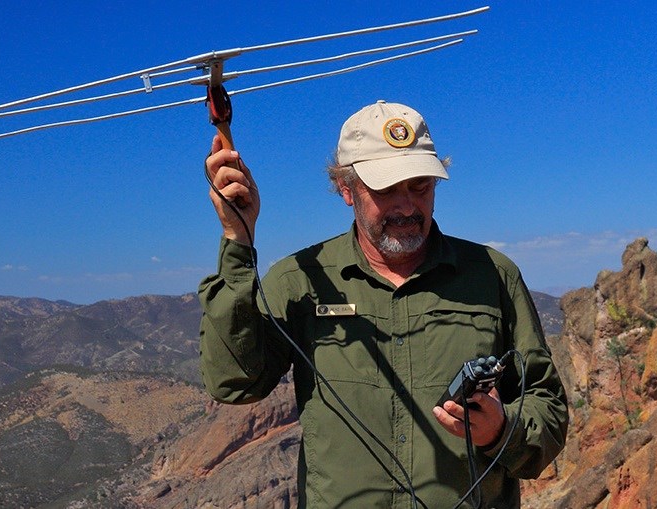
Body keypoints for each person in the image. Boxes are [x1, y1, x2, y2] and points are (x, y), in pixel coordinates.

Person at [198, 100, 568, 508]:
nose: (407, 206)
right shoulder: (299, 280)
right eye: (386, 189)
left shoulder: (493, 275)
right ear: (345, 188)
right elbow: (233, 384)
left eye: (420, 186)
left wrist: (501, 431)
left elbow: (548, 410)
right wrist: (238, 239)